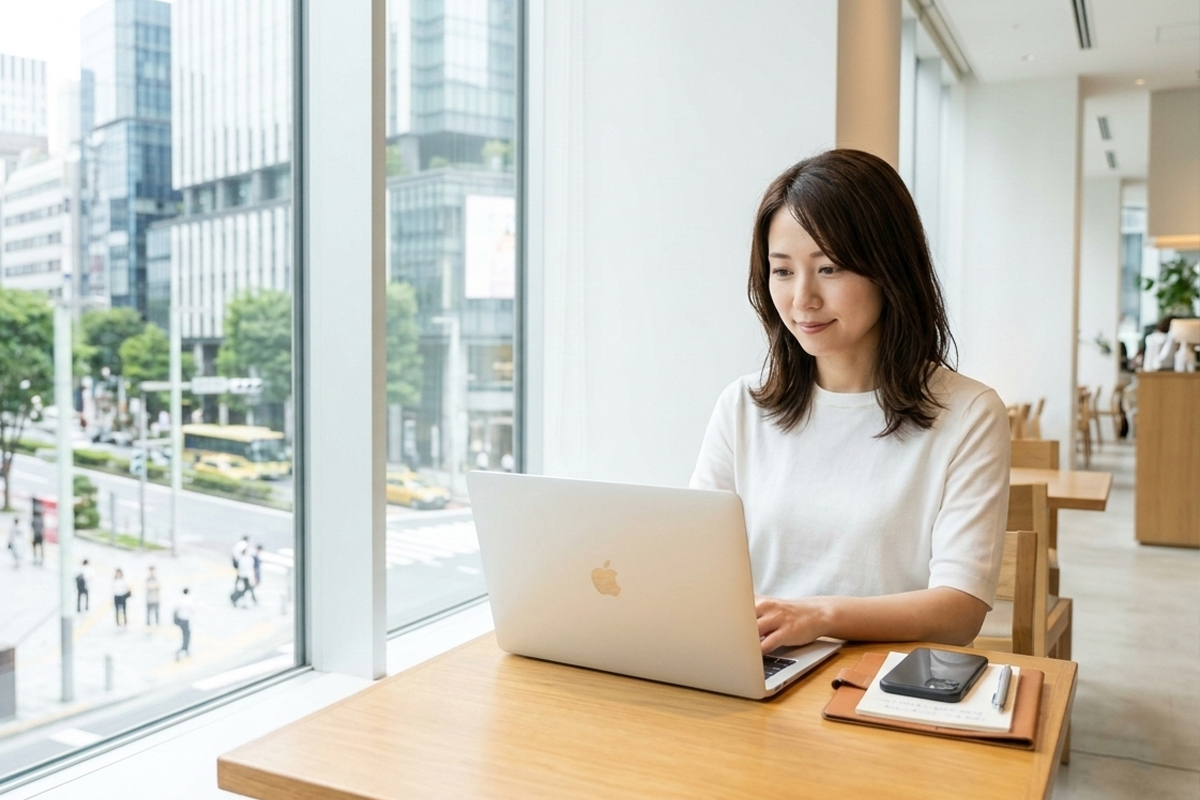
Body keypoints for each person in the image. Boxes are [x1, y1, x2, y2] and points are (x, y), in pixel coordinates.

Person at [689, 150, 1009, 654]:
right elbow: (695, 561)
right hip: (757, 670)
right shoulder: (743, 406)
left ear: (890, 269)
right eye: (783, 271)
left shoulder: (969, 413)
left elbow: (959, 612)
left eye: (830, 268)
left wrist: (817, 615)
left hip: (882, 685)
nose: (802, 299)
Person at [174, 587, 193, 659]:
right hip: (186, 619)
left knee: (184, 633)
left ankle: (184, 647)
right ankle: (185, 648)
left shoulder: (180, 599)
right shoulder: (189, 599)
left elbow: (177, 609)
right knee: (187, 634)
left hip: (180, 618)